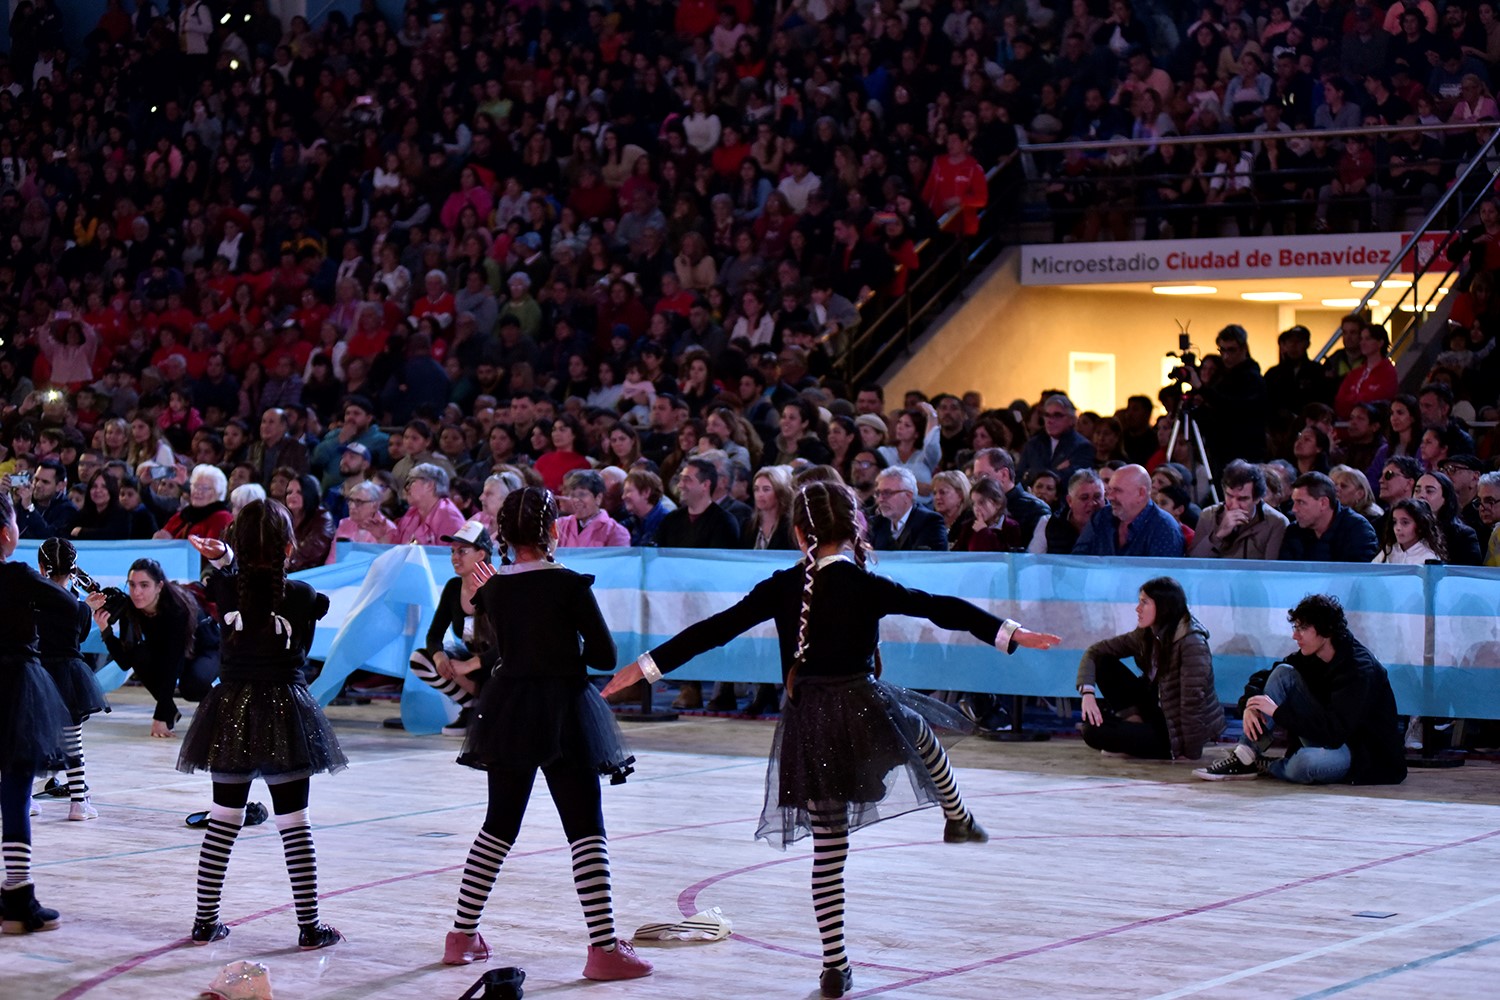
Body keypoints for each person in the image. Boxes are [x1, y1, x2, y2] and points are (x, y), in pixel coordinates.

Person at [601, 481, 1060, 999]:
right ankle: (958, 817)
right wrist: (1010, 632)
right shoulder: (867, 585)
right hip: (864, 711)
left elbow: (715, 629)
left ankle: (834, 965)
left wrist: (643, 668)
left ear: (799, 533)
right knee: (923, 732)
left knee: (829, 851)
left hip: (810, 726)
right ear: (856, 528)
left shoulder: (780, 586)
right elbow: (941, 607)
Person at [443, 487, 649, 981]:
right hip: (563, 710)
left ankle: (461, 935)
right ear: (553, 531)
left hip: (509, 709)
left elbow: (500, 650)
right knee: (584, 827)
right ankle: (603, 948)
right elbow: (602, 656)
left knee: (499, 824)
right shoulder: (569, 585)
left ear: (504, 536)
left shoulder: (493, 589)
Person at [178, 502, 345, 949]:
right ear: (290, 546)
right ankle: (309, 927)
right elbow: (300, 618)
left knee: (223, 821)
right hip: (286, 711)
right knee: (296, 825)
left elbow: (238, 582)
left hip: (230, 708)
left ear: (237, 547)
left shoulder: (225, 589)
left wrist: (225, 560)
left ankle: (204, 921)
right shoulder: (306, 596)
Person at [1194, 594, 1406, 785]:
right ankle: (1245, 756)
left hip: (1360, 755)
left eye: (1302, 628)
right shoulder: (1311, 654)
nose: (1296, 636)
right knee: (1283, 673)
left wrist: (1277, 712)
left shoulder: (1358, 669)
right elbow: (1264, 677)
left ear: (1326, 630)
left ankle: (1265, 765)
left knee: (1305, 764)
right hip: (1326, 739)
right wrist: (1251, 703)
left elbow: (1334, 732)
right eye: (1295, 628)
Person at [0, 491, 73, 934]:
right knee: (16, 796)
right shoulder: (19, 576)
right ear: (8, 535)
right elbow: (65, 607)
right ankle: (18, 898)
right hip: (15, 687)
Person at [1077, 577, 1223, 760]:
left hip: (1175, 730)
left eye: (1144, 603)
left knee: (1092, 732)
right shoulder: (1147, 632)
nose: (1137, 609)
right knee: (1103, 661)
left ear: (1163, 606)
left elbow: (1192, 702)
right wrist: (1087, 694)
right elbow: (1095, 651)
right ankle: (1134, 724)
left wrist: (1187, 752)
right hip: (1156, 709)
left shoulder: (1191, 642)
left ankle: (1142, 741)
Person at [87, 558, 217, 738]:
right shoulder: (130, 609)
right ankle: (171, 712)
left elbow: (173, 664)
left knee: (191, 685)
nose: (136, 592)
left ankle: (221, 709)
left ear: (159, 586)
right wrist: (106, 631)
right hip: (173, 654)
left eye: (144, 585)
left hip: (206, 649)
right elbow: (126, 662)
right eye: (132, 585)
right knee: (139, 654)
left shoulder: (177, 608)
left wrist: (159, 716)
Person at [35, 539, 108, 820]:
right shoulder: (77, 608)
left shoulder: (32, 604)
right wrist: (87, 608)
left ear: (41, 567)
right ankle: (78, 802)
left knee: (33, 739)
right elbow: (76, 634)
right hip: (68, 676)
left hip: (37, 674)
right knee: (73, 742)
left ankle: (26, 798)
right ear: (73, 569)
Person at [409, 520, 496, 737]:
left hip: (498, 665)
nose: (455, 557)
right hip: (473, 664)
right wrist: (439, 657)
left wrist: (470, 665)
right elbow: (434, 635)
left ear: (481, 554)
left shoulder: (499, 587)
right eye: (452, 551)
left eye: (462, 551)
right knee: (421, 660)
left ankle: (490, 709)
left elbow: (511, 643)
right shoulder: (453, 587)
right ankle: (471, 706)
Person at [1073, 465, 1184, 557]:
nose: (1110, 497)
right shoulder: (1102, 516)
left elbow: (1162, 579)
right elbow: (1078, 560)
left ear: (1141, 493)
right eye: (1109, 490)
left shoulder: (1165, 528)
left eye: (1117, 490)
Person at [1188, 460, 1290, 559]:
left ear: (1257, 499)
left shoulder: (1276, 523)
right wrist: (1218, 535)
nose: (1235, 505)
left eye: (1242, 499)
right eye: (1229, 496)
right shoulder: (1208, 516)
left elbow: (1271, 571)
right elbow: (1192, 562)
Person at [1279, 472, 1380, 562]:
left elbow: (1359, 576)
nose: (1294, 509)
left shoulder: (1358, 530)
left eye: (1301, 502)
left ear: (1323, 503)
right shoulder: (1294, 531)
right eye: (1294, 502)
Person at [1017, 394, 1096, 479]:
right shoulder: (1032, 445)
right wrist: (1056, 471)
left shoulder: (1083, 447)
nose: (1050, 421)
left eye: (1057, 415)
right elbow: (1020, 478)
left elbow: (1075, 481)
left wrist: (1034, 474)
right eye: (1047, 415)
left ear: (1072, 420)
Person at [869, 466, 948, 550]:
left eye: (888, 493)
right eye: (878, 493)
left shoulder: (930, 522)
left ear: (908, 496)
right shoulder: (877, 523)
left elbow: (926, 560)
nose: (880, 499)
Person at [1413, 471, 1482, 565]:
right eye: (1417, 491)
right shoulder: (1402, 529)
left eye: (1429, 491)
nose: (1421, 496)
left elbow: (1468, 574)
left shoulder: (1463, 536)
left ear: (1445, 498)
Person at [154, 464, 234, 540]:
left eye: (205, 488)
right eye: (195, 486)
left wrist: (171, 544)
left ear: (218, 492)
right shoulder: (183, 515)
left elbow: (211, 551)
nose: (198, 492)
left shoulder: (222, 518)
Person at [394, 463, 467, 545]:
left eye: (411, 482)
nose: (407, 488)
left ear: (429, 485)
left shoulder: (449, 516)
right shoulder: (411, 513)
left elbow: (449, 555)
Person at [557, 470, 630, 547]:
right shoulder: (560, 526)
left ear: (598, 498)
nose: (576, 500)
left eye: (582, 494)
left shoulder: (615, 532)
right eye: (572, 495)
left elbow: (619, 559)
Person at [1372, 498, 1445, 564]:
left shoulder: (1428, 556)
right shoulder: (1390, 549)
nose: (1398, 528)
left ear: (1420, 526)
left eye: (1405, 522)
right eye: (1395, 522)